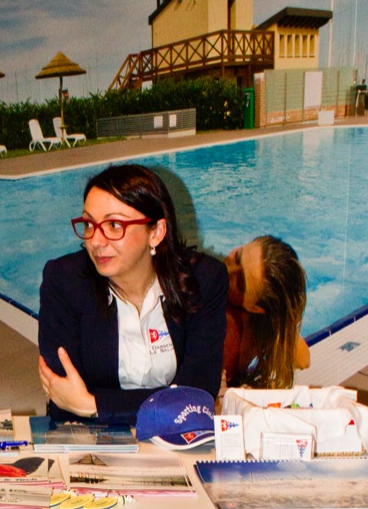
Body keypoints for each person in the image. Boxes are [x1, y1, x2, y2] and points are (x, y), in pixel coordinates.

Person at [37, 163, 227, 423]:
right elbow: (64, 398)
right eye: (89, 224)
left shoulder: (204, 280)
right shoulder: (64, 281)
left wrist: (94, 404)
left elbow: (196, 397)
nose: (96, 241)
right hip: (87, 434)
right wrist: (168, 401)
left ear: (156, 232)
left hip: (173, 436)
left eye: (114, 225)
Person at [223, 234, 310, 388]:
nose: (228, 270)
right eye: (237, 257)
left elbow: (304, 360)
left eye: (240, 282)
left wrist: (277, 323)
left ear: (255, 307)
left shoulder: (247, 324)